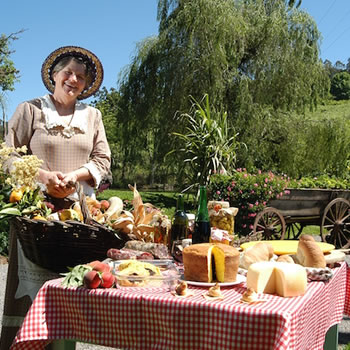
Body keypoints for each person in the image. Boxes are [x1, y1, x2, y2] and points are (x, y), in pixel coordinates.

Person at [0, 46, 111, 349]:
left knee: (68, 293)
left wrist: (73, 177)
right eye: (67, 72)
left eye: (80, 76)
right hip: (34, 214)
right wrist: (43, 178)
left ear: (86, 85)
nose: (73, 79)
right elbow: (7, 155)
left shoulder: (93, 116)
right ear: (54, 75)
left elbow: (103, 160)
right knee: (31, 295)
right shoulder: (30, 109)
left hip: (78, 221)